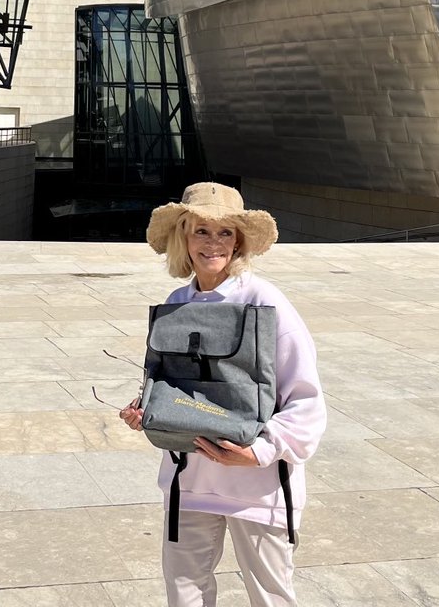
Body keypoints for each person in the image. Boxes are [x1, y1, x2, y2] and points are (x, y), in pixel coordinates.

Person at [120, 182, 326, 607]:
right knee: (185, 594)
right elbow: (170, 383)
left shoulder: (265, 302)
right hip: (189, 480)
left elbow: (307, 398)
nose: (213, 243)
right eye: (201, 231)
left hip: (259, 485)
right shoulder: (176, 301)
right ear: (184, 237)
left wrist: (260, 452)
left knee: (270, 597)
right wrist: (147, 410)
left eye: (225, 232)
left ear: (239, 241)